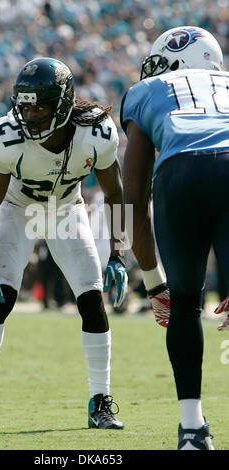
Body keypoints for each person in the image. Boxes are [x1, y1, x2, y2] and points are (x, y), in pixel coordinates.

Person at [0, 57, 127, 432]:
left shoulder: (94, 133)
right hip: (20, 209)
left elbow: (115, 193)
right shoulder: (7, 138)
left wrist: (118, 253)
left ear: (63, 105)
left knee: (92, 300)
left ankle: (101, 401)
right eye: (24, 105)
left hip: (66, 210)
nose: (29, 114)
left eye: (39, 106)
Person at [121, 26, 229, 450]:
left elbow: (131, 195)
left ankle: (191, 429)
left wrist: (152, 280)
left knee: (185, 304)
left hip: (180, 175)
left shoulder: (147, 90)